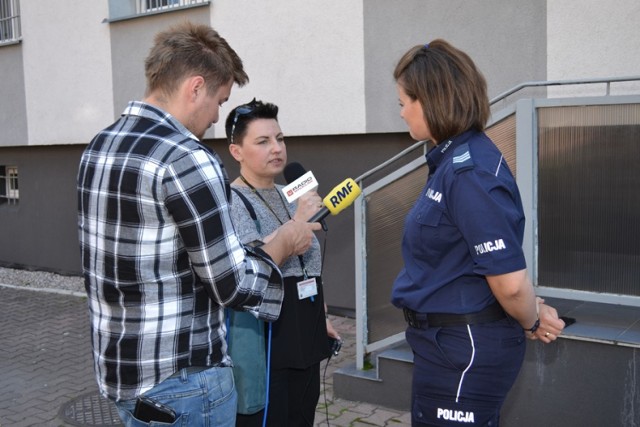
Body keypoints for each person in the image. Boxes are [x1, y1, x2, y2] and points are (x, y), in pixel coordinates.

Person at [76, 22, 320, 427]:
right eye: (220, 100)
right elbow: (231, 284)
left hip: (122, 377)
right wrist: (282, 243)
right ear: (195, 87)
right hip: (184, 384)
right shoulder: (187, 157)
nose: (215, 117)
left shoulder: (99, 146)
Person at [390, 39, 566, 426]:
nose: (400, 112)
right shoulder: (452, 161)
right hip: (445, 347)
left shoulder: (469, 172)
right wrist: (532, 310)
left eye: (404, 101)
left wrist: (531, 318)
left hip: (462, 350)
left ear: (431, 100)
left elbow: (510, 282)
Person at [225, 99, 341, 426]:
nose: (277, 148)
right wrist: (296, 224)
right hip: (267, 338)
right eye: (263, 141)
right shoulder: (231, 201)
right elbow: (248, 263)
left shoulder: (291, 192)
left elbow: (309, 263)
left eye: (280, 138)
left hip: (306, 329)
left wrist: (321, 316)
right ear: (237, 152)